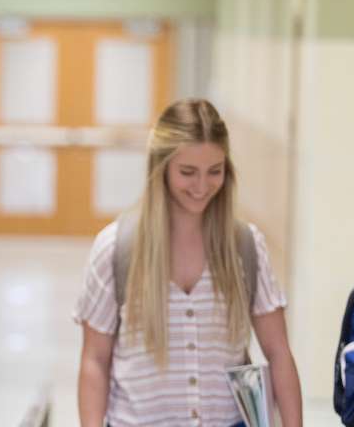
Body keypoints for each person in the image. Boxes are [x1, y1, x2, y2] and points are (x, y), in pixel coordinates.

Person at [74, 98, 302, 427]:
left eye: (215, 172)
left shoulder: (246, 246)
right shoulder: (115, 249)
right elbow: (95, 361)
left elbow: (278, 352)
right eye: (187, 172)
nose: (201, 186)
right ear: (161, 167)